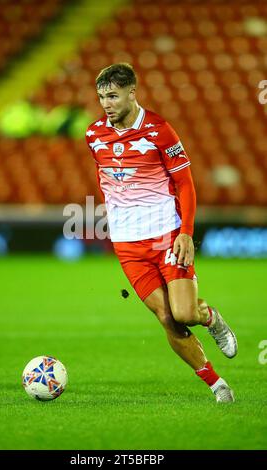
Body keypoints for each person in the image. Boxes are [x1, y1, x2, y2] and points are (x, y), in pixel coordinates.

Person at [85, 63, 238, 403]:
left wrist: (186, 232)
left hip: (167, 236)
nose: (106, 104)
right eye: (101, 97)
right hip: (127, 244)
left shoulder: (158, 130)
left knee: (185, 313)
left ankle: (210, 317)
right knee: (167, 317)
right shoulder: (94, 135)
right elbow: (105, 178)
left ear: (132, 93)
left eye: (113, 96)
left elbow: (185, 183)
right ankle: (217, 384)